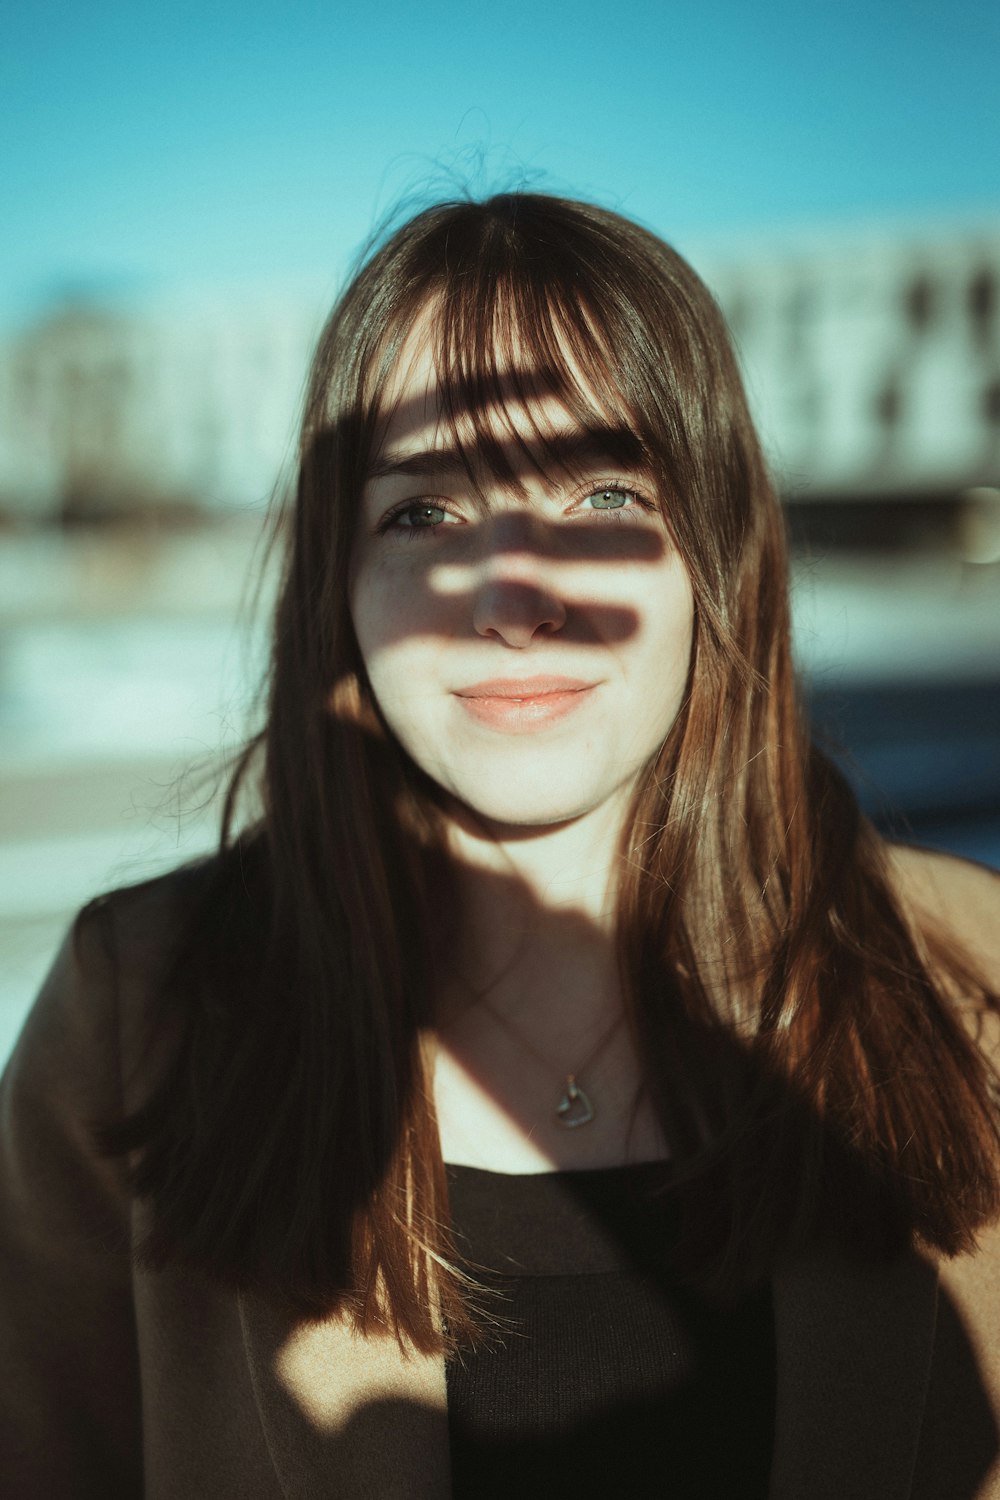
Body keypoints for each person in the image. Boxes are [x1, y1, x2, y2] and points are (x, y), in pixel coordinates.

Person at [2, 191, 999, 1500]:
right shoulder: (144, 1004)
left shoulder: (972, 978)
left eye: (600, 491)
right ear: (338, 584)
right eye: (425, 513)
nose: (516, 599)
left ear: (716, 551)